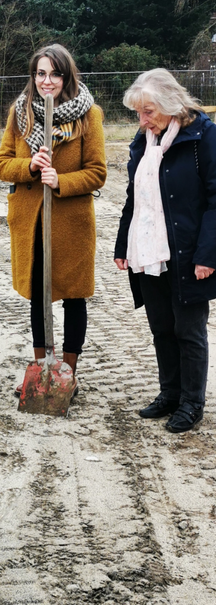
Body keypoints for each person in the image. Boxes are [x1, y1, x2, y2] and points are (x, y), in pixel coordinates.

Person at [0, 43, 107, 396]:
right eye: (41, 73)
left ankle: (67, 376)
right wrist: (28, 166)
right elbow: (1, 164)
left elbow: (98, 172)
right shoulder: (20, 113)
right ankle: (43, 371)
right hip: (31, 221)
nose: (47, 81)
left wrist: (61, 180)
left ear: (66, 76)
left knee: (74, 296)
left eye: (55, 73)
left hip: (71, 224)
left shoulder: (89, 116)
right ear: (34, 76)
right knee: (38, 297)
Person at [114, 69, 216, 433]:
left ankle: (192, 403)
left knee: (189, 331)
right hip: (148, 250)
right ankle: (170, 394)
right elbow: (134, 197)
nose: (143, 120)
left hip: (188, 252)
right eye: (138, 113)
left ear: (172, 106)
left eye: (149, 112)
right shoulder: (144, 140)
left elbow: (215, 200)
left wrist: (207, 255)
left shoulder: (203, 136)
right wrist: (123, 243)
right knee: (161, 327)